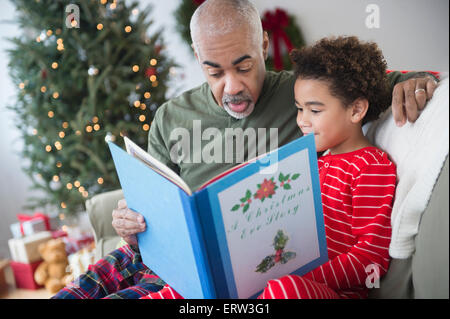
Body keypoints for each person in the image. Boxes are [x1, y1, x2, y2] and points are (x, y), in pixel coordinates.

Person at [53, 0, 438, 299]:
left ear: (265, 45)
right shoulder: (171, 116)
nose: (233, 86)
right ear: (197, 56)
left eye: (244, 65)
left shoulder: (304, 94)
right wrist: (131, 223)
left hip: (244, 275)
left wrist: (416, 81)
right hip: (163, 257)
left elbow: (365, 85)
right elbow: (150, 203)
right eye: (215, 72)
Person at [258, 36, 397, 299]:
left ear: (356, 110)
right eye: (300, 109)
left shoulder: (370, 167)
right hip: (282, 277)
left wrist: (301, 278)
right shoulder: (315, 164)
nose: (302, 121)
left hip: (333, 291)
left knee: (283, 290)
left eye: (315, 111)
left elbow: (372, 258)